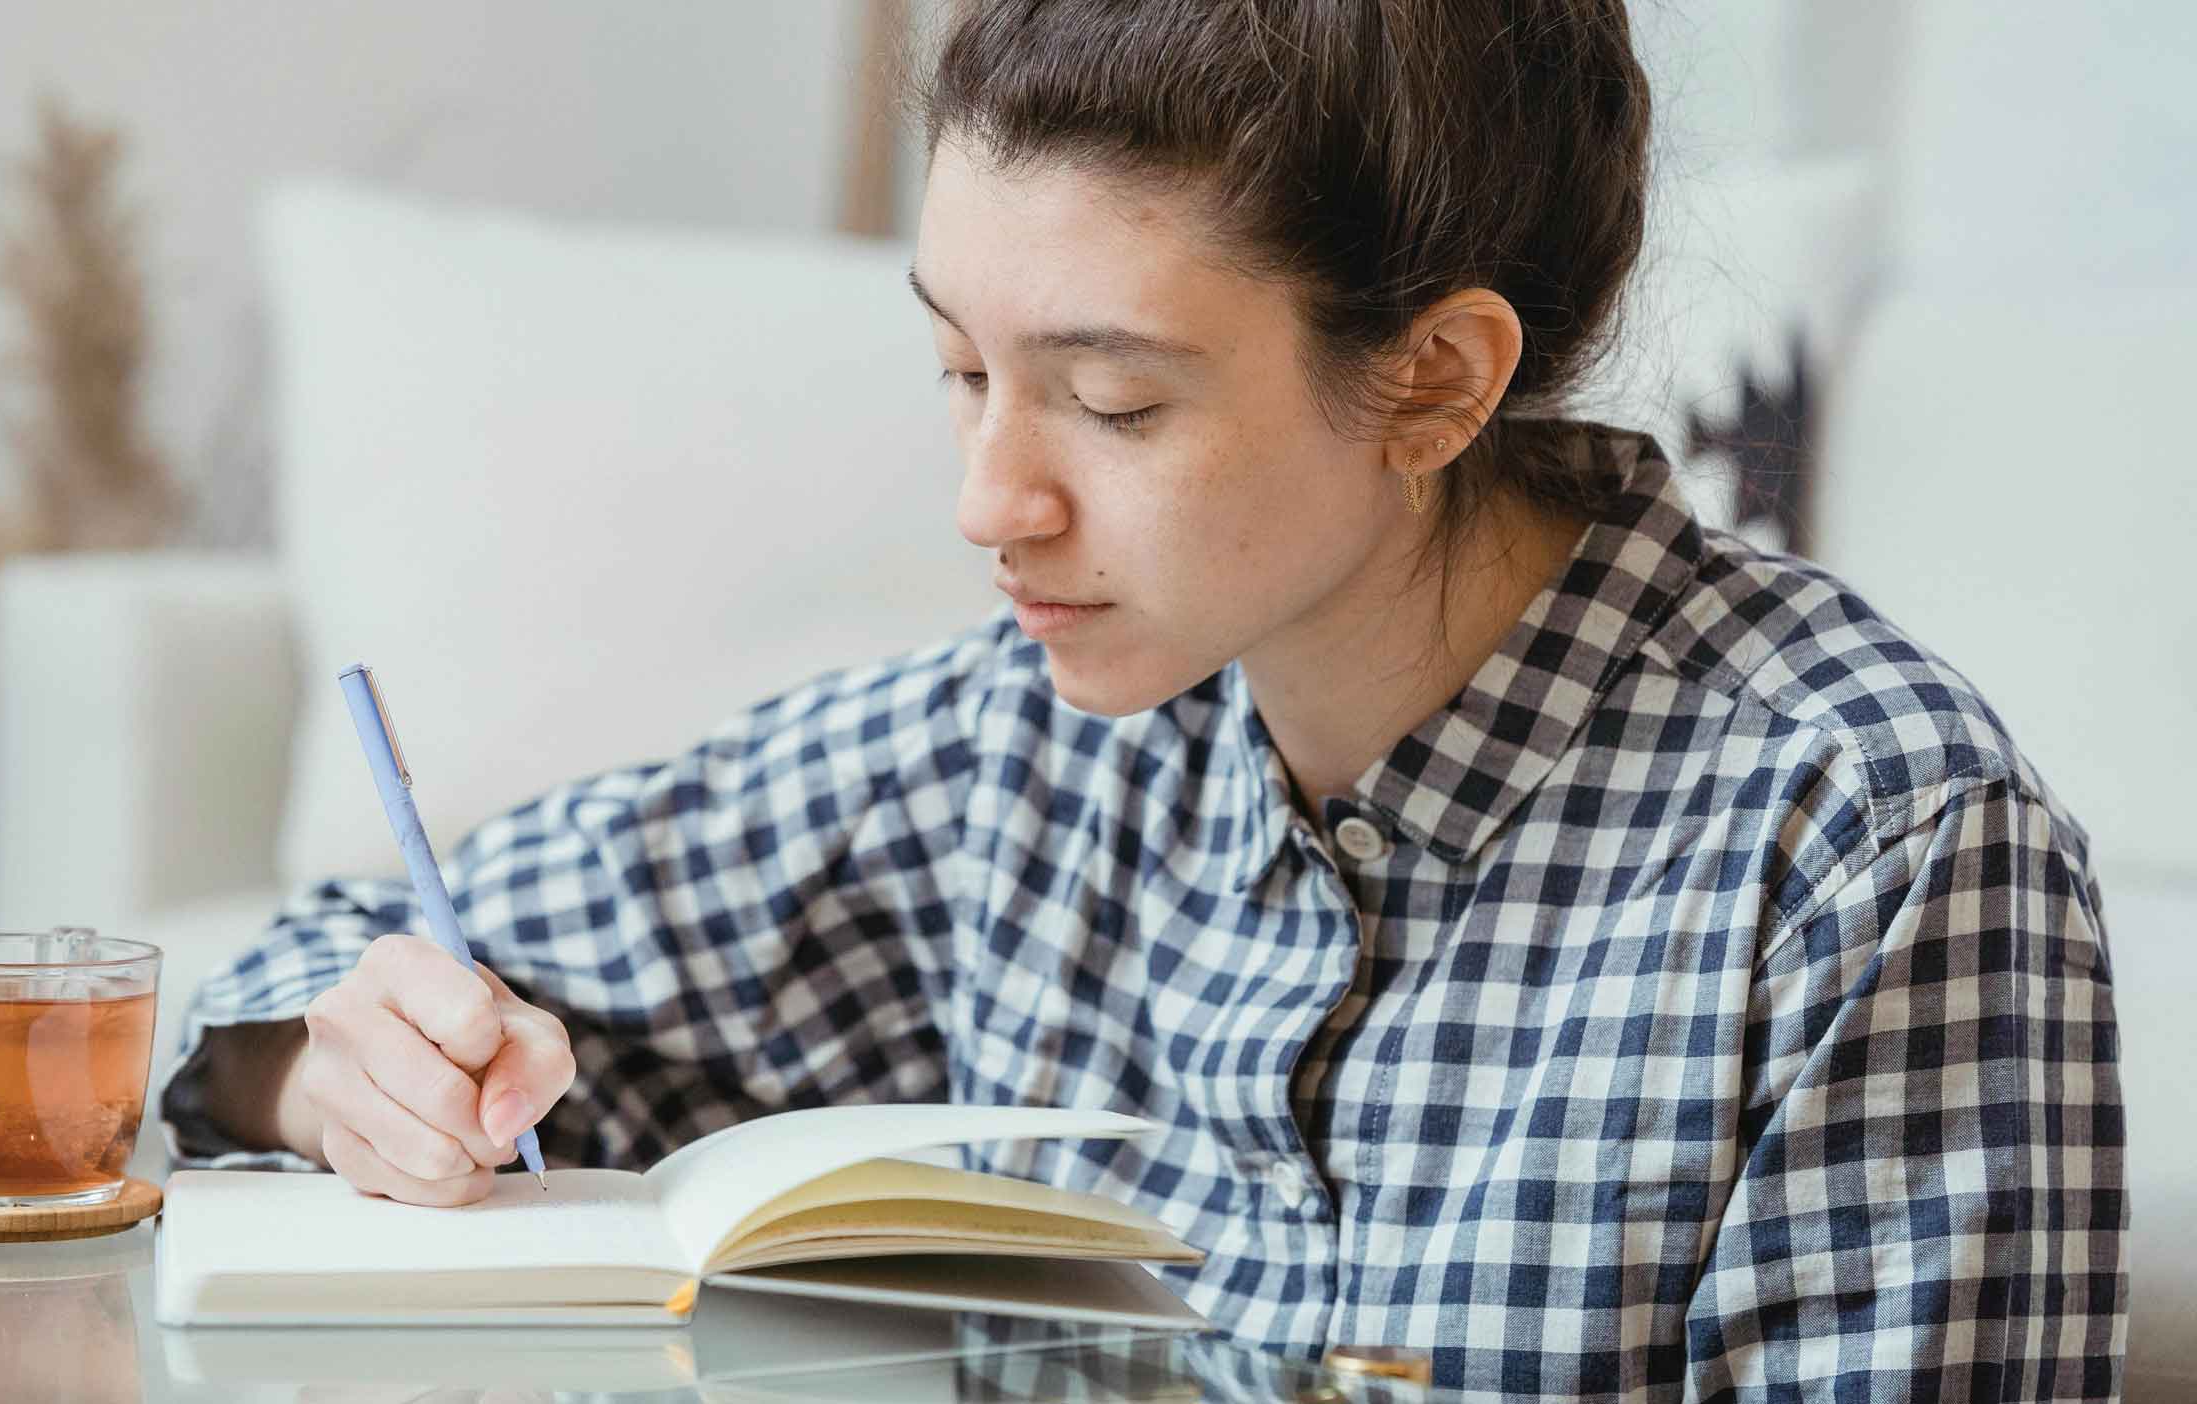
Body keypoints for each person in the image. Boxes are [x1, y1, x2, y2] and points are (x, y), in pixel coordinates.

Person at [160, 1, 2126, 1396]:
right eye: (958, 370)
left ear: (1436, 381)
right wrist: (337, 1061)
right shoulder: (1016, 748)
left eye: (1113, 402)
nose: (987, 502)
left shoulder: (1863, 837)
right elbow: (365, 961)